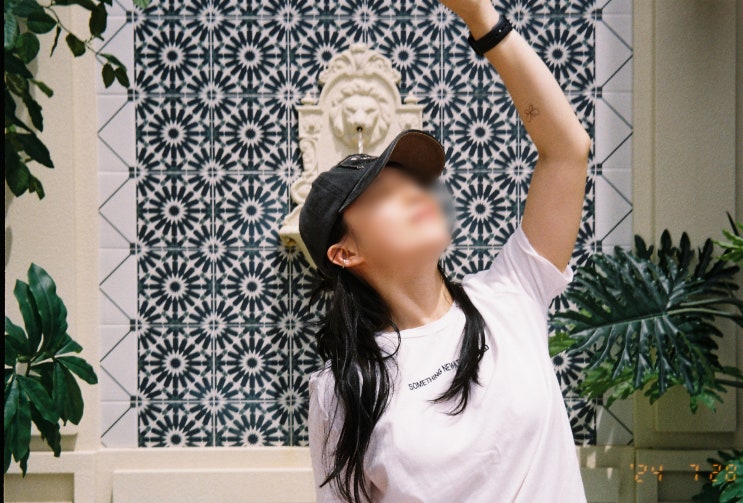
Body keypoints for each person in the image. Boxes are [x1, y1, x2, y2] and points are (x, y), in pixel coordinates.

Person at [299, 0, 591, 501]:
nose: (418, 196)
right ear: (344, 253)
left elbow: (567, 151)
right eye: (383, 195)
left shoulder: (511, 295)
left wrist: (481, 18)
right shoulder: (341, 389)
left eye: (415, 184)